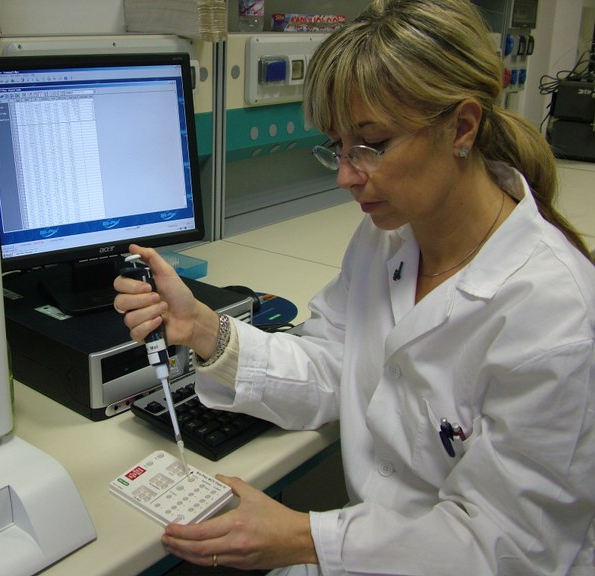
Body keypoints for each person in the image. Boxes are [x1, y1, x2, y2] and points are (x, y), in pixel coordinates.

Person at [113, 0, 595, 573]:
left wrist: (308, 539)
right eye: (338, 147)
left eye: (372, 145)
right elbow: (331, 366)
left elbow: (506, 546)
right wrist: (204, 329)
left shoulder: (554, 312)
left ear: (462, 127)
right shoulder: (387, 240)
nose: (346, 175)